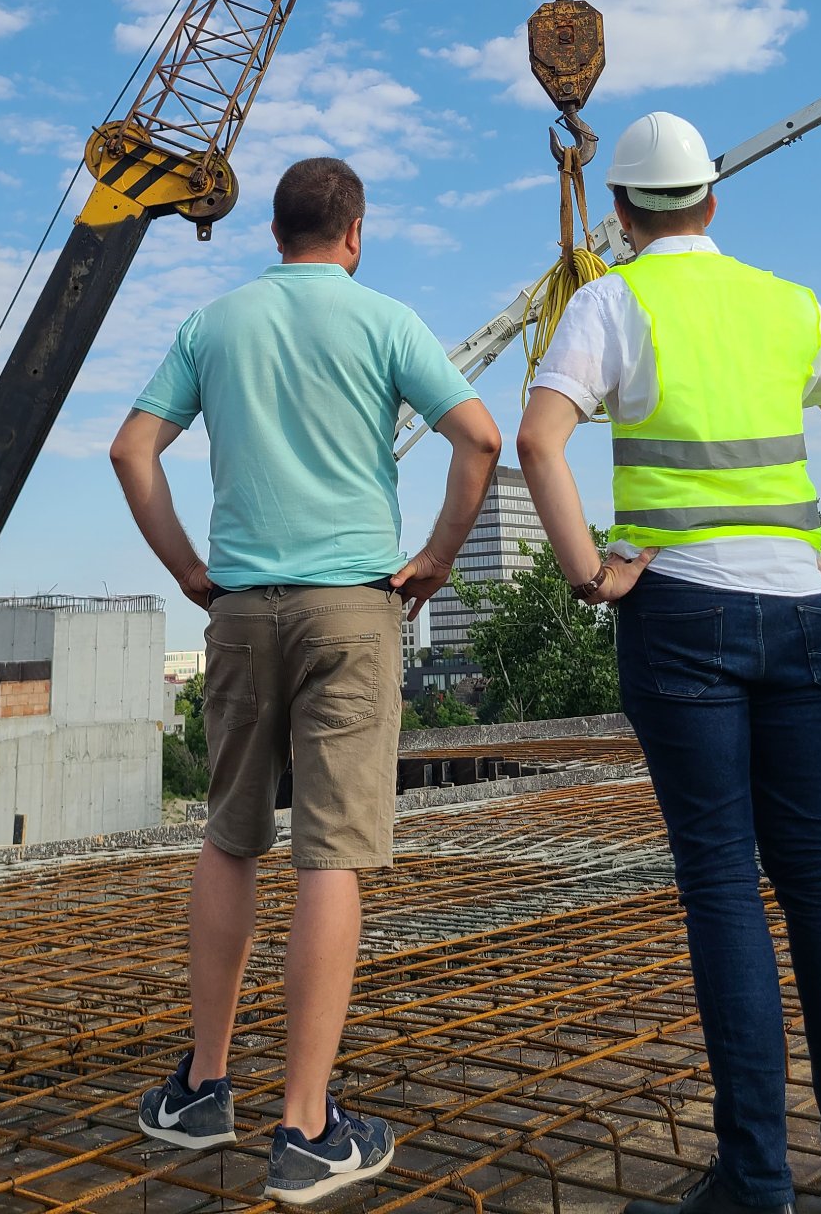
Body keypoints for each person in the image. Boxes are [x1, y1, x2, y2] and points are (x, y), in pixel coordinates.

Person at [515, 111, 821, 1214]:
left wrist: (591, 570)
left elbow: (542, 437)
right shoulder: (789, 302)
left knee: (725, 880)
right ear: (713, 203)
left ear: (623, 214)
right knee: (816, 874)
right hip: (797, 610)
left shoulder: (612, 298)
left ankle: (755, 1179)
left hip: (681, 612)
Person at [110, 155, 501, 1207]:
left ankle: (201, 1087)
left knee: (230, 834)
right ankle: (307, 1125)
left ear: (273, 230)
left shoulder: (213, 322)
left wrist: (190, 569)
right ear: (354, 231)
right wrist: (438, 554)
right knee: (333, 850)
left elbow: (131, 449)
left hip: (238, 609)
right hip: (352, 607)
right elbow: (480, 435)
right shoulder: (384, 319)